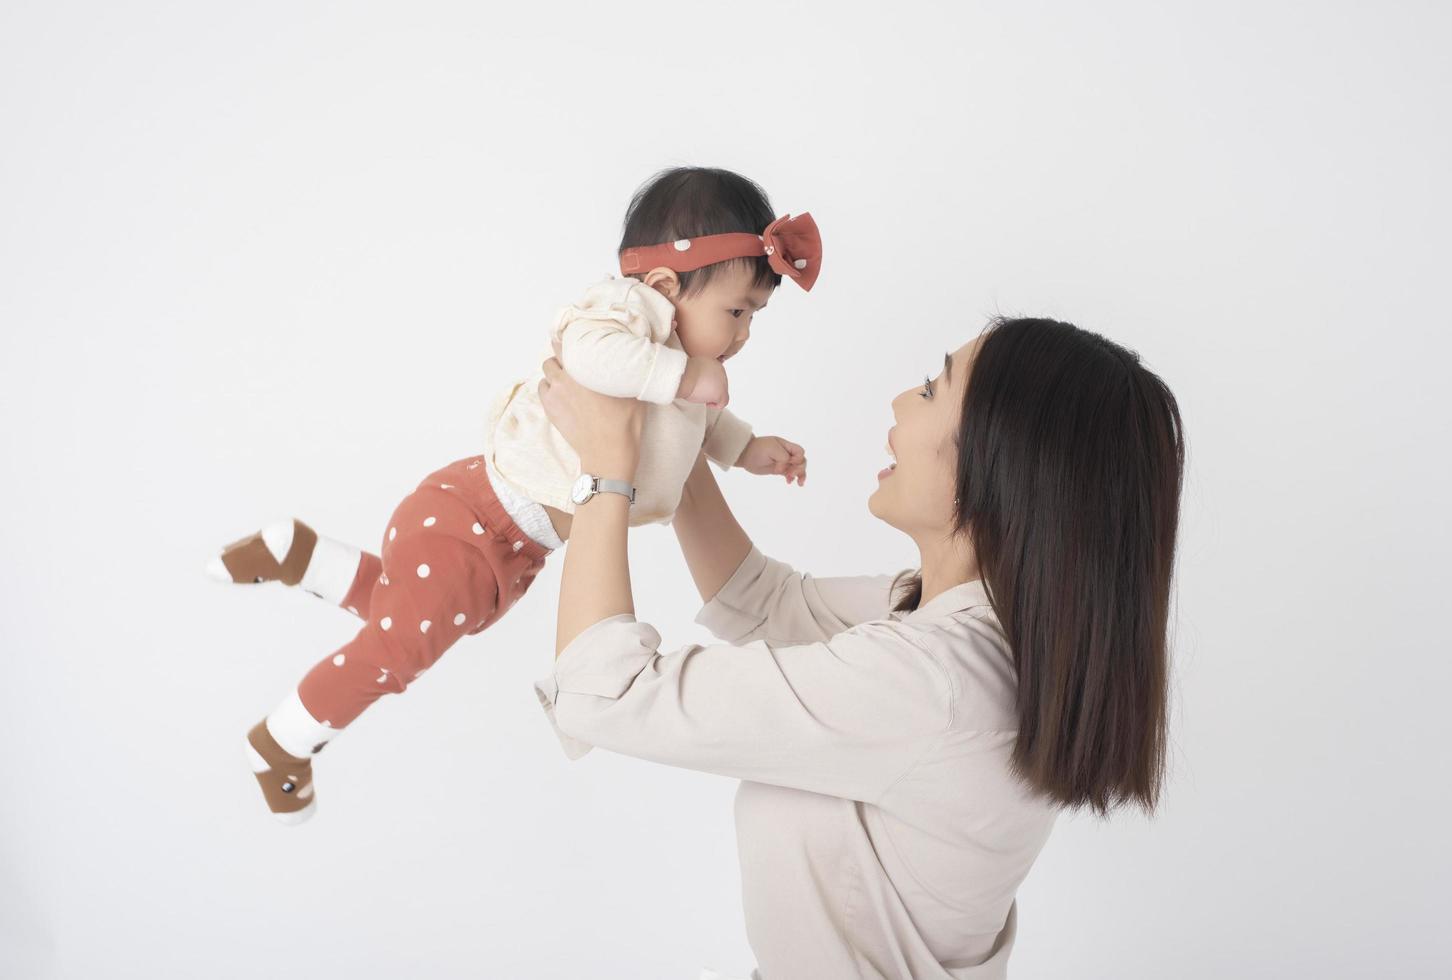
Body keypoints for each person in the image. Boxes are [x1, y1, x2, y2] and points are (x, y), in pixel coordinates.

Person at [535, 316, 1185, 979]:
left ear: (1005, 461)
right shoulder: (964, 631)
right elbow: (764, 602)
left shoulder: (932, 681)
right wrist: (672, 423)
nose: (902, 400)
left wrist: (605, 474)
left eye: (933, 390)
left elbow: (602, 692)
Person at [203, 167, 819, 822]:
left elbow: (700, 427)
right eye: (737, 312)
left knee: (416, 611)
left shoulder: (678, 373)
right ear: (666, 287)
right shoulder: (626, 318)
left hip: (505, 538)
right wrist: (685, 373)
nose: (744, 335)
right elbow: (589, 356)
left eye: (754, 317)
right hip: (473, 517)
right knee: (400, 648)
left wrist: (748, 449)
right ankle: (282, 741)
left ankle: (300, 555)